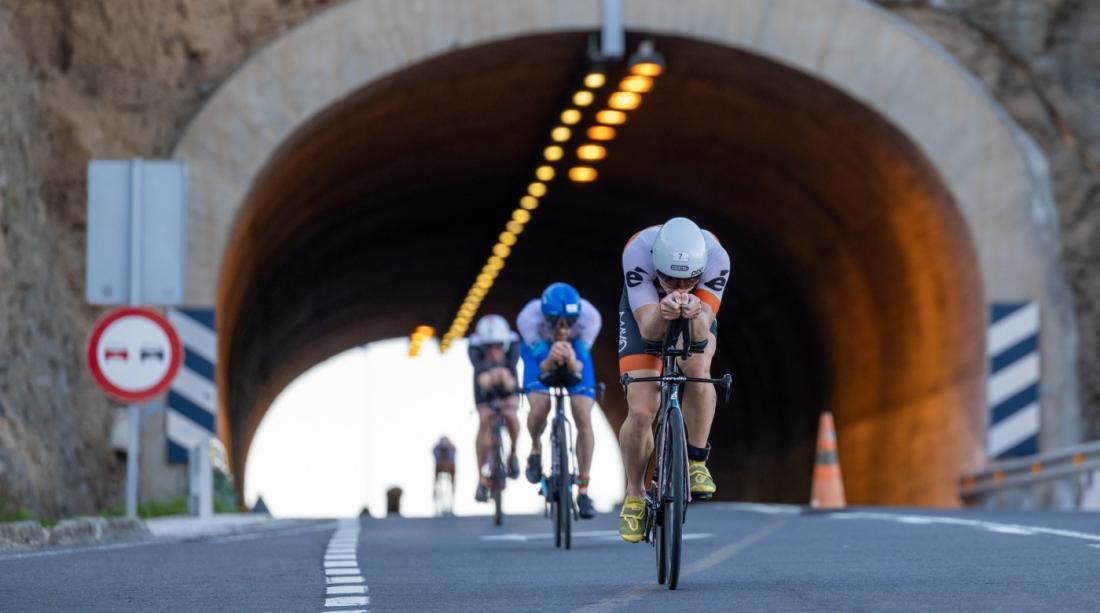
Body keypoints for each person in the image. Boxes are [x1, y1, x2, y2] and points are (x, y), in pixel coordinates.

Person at [616, 217, 731, 543]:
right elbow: (648, 331)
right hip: (645, 313)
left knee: (698, 367)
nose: (679, 287)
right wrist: (662, 309)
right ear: (656, 265)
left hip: (697, 317)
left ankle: (695, 460)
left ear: (700, 271)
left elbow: (700, 335)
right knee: (641, 410)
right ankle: (635, 494)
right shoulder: (638, 250)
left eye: (688, 281)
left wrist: (694, 311)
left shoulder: (716, 257)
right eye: (668, 279)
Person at [517, 282, 602, 519]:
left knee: (583, 414)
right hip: (540, 352)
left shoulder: (591, 316)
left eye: (568, 322)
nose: (562, 327)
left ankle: (583, 490)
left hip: (575, 350)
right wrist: (550, 357)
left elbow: (579, 363)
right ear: (545, 317)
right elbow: (542, 365)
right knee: (540, 407)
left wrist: (572, 359)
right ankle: (535, 446)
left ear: (578, 317)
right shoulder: (528, 318)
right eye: (555, 321)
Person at [467, 314, 522, 503]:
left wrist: (504, 378)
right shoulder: (474, 347)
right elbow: (481, 377)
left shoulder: (514, 344)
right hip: (484, 383)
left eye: (498, 346)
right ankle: (481, 477)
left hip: (506, 379)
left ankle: (513, 453)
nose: (493, 350)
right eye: (488, 347)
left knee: (511, 413)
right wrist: (492, 376)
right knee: (484, 419)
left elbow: (510, 376)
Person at [432, 436, 456, 515]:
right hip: (439, 465)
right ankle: (435, 497)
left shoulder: (452, 449)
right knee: (435, 479)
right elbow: (437, 462)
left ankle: (453, 497)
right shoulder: (436, 450)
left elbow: (452, 462)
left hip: (450, 464)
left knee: (453, 476)